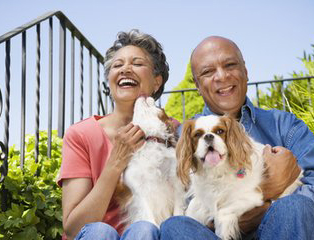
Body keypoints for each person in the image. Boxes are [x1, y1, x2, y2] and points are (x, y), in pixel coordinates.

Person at [160, 36, 314, 240]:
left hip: (280, 229)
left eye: (230, 65)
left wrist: (268, 206)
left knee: (294, 206)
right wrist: (265, 190)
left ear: (245, 72)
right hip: (212, 234)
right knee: (175, 226)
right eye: (208, 72)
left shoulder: (285, 126)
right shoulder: (182, 138)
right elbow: (178, 201)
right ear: (197, 85)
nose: (222, 76)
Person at [57, 29, 173, 240]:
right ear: (110, 81)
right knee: (100, 231)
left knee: (144, 229)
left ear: (157, 81)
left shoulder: (172, 133)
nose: (125, 69)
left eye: (137, 64)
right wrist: (116, 162)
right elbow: (73, 228)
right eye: (117, 65)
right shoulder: (80, 134)